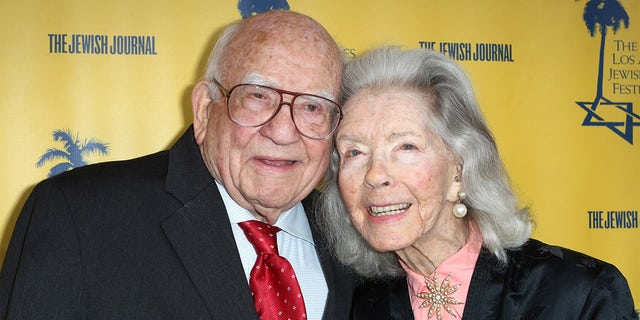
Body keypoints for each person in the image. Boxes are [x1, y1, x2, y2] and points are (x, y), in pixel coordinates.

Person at [0, 10, 355, 320]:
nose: (282, 131)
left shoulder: (356, 243)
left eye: (313, 107)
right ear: (203, 110)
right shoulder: (78, 217)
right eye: (257, 97)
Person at [317, 46, 638, 319]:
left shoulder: (580, 296)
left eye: (406, 147)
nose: (375, 175)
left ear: (460, 168)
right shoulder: (356, 306)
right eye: (354, 152)